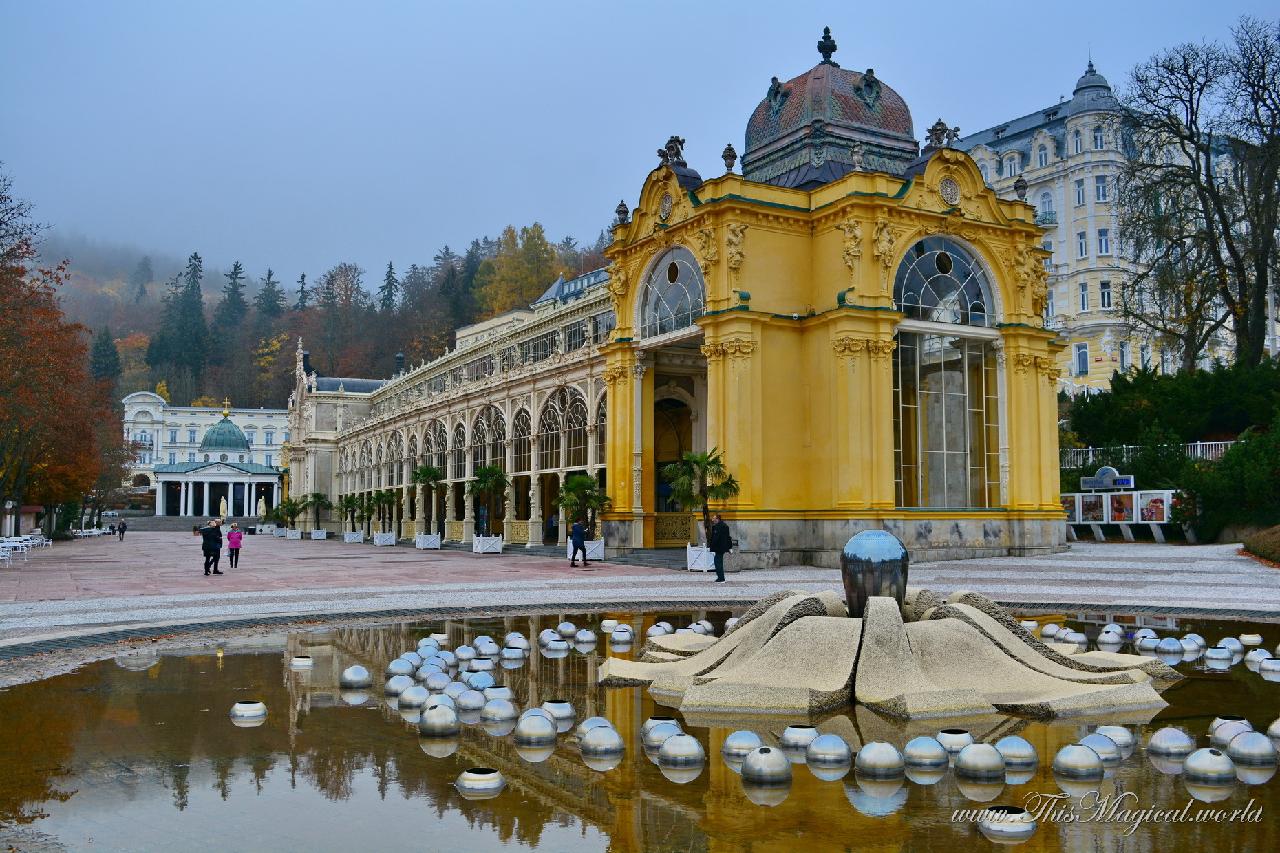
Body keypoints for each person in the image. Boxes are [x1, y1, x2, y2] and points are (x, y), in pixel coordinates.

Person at [708, 513, 732, 583]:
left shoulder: (718, 527)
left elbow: (715, 538)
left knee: (717, 562)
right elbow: (728, 537)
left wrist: (711, 545)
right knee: (719, 562)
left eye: (714, 518)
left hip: (718, 547)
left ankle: (721, 578)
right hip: (722, 547)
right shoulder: (725, 526)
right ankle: (720, 577)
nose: (713, 520)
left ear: (717, 519)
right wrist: (729, 547)